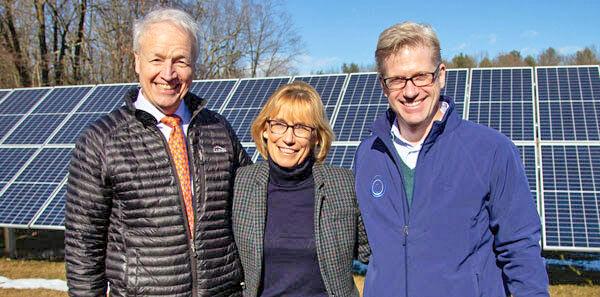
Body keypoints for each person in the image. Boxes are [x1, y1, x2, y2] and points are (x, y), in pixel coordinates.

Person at [64, 7, 251, 297]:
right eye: (157, 59)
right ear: (137, 61)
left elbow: (254, 203)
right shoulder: (101, 140)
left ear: (194, 65)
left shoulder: (219, 130)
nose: (168, 73)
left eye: (180, 61)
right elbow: (83, 241)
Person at [354, 22, 549, 297]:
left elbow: (520, 248)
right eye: (397, 80)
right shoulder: (368, 155)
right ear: (383, 86)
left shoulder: (491, 150)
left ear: (441, 75)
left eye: (421, 76)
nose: (410, 91)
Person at [232, 81, 370, 297]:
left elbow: (376, 255)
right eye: (279, 124)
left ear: (316, 136)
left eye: (301, 128)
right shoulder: (241, 185)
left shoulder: (343, 185)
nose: (288, 138)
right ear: (265, 130)